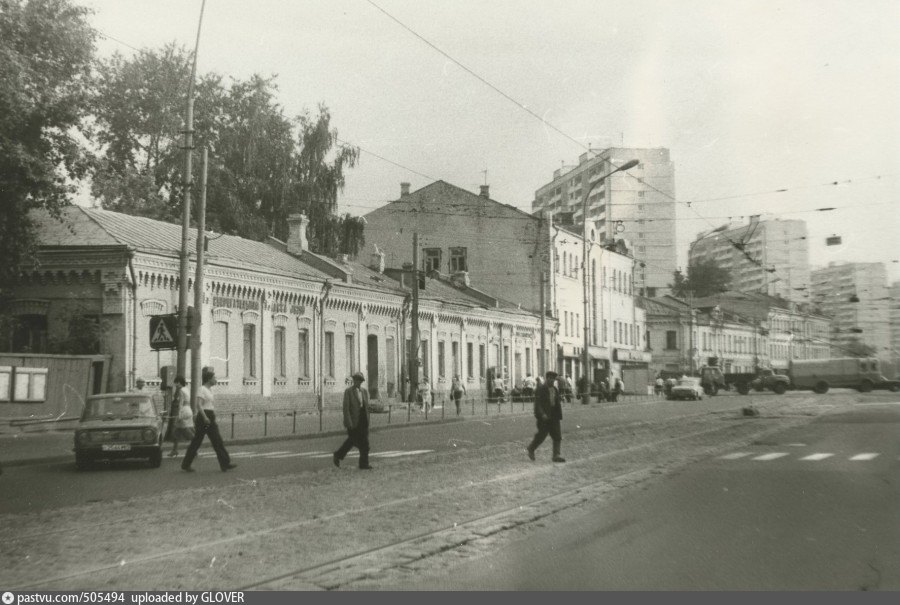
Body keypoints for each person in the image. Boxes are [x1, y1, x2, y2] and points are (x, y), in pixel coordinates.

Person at [181, 367, 237, 473]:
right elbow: (199, 405)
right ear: (209, 379)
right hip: (204, 418)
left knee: (217, 440)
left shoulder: (209, 390)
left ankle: (225, 463)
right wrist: (205, 417)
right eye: (214, 378)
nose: (216, 379)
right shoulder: (202, 389)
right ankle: (186, 464)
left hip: (209, 415)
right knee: (197, 441)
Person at [333, 372, 372, 470]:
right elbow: (346, 408)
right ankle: (338, 455)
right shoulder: (349, 392)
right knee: (352, 442)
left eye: (360, 380)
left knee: (363, 444)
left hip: (363, 421)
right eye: (356, 380)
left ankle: (363, 464)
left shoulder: (364, 392)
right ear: (354, 380)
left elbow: (366, 406)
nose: (358, 382)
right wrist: (348, 422)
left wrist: (368, 418)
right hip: (354, 422)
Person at [526, 370, 565, 463]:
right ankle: (531, 448)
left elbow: (556, 403)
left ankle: (556, 455)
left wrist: (558, 414)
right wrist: (542, 414)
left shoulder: (555, 389)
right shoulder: (541, 389)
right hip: (544, 416)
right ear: (547, 378)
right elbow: (538, 403)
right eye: (550, 378)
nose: (552, 380)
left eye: (553, 379)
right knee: (542, 435)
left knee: (557, 436)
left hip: (554, 416)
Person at [168, 376, 193, 457]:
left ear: (179, 382)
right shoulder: (187, 389)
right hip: (188, 409)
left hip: (183, 411)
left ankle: (194, 447)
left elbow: (180, 403)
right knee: (176, 432)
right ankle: (174, 450)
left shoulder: (181, 390)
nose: (175, 384)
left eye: (176, 383)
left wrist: (179, 414)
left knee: (186, 431)